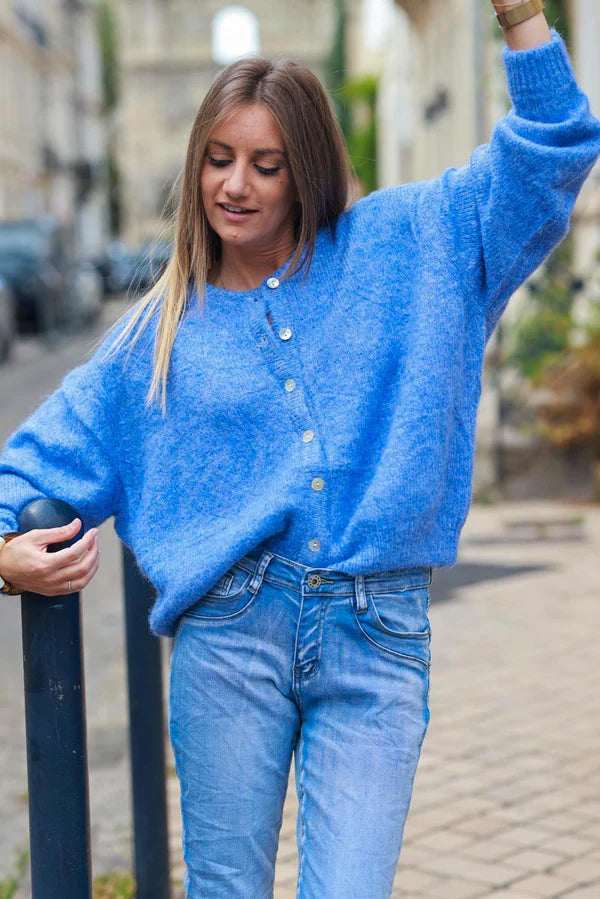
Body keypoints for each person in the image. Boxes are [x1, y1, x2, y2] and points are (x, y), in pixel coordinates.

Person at [1, 2, 599, 896]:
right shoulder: (154, 340)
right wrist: (7, 557)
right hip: (228, 642)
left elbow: (551, 149)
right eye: (218, 159)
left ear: (307, 171)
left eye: (265, 165)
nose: (235, 185)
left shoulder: (410, 244)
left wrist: (520, 19)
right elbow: (28, 469)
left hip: (378, 631)